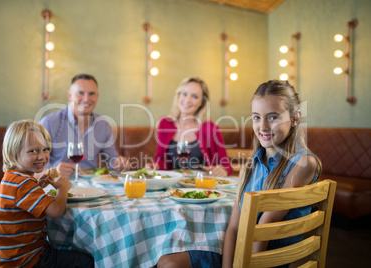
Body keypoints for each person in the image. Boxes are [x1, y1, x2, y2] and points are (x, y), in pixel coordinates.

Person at [156, 80, 322, 268]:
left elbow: (264, 227)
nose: (263, 126)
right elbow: (234, 228)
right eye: (257, 117)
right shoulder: (249, 167)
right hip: (240, 255)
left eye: (273, 117)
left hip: (264, 261)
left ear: (295, 118)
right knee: (164, 261)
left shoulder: (302, 163)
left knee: (170, 264)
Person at [0, 120, 94, 268]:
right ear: (13, 153)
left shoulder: (12, 177)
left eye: (46, 149)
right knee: (87, 261)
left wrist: (38, 186)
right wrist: (63, 189)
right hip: (29, 260)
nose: (42, 156)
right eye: (33, 151)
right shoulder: (23, 184)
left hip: (9, 256)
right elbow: (57, 211)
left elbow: (21, 201)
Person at [40, 74, 129, 178]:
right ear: (69, 95)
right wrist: (53, 172)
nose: (86, 99)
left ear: (97, 96)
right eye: (80, 93)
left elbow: (112, 161)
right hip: (56, 183)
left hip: (92, 186)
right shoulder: (49, 123)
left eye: (91, 94)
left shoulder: (102, 125)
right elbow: (32, 168)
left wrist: (119, 164)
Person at [146, 77, 232, 177]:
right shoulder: (165, 123)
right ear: (178, 96)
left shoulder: (210, 128)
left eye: (194, 97)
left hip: (201, 185)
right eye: (184, 94)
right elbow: (160, 159)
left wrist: (223, 170)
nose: (187, 100)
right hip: (173, 184)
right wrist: (155, 166)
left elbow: (226, 165)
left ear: (202, 102)